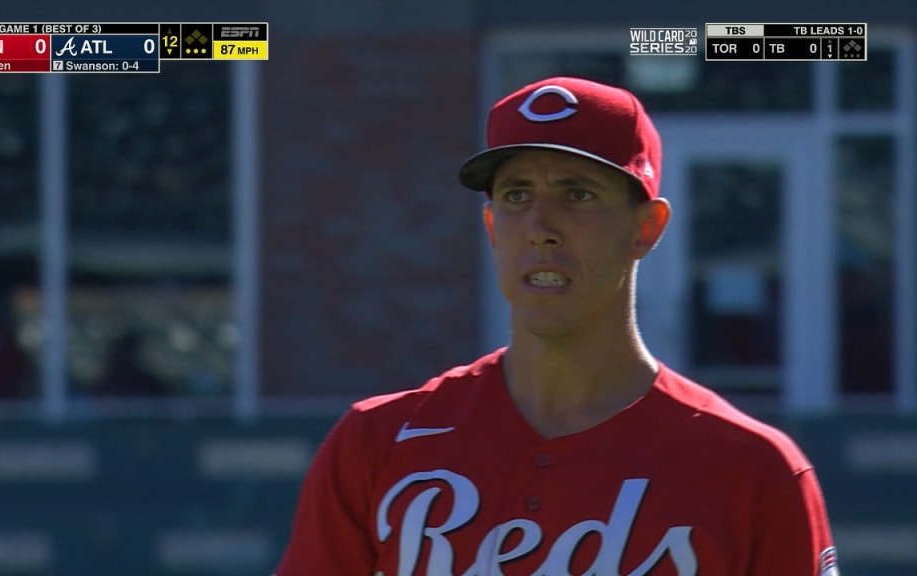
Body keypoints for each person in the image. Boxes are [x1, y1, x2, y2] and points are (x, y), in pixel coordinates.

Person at [275, 77, 839, 575]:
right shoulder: (377, 444)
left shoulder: (753, 470)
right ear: (492, 226)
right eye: (517, 196)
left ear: (646, 227)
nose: (540, 227)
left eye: (577, 194)